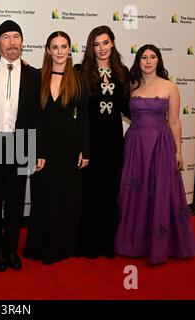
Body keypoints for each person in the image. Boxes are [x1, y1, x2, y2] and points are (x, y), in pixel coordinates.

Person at [114, 44, 195, 264]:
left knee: (160, 192)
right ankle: (135, 241)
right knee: (135, 192)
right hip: (135, 144)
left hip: (160, 145)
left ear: (159, 60)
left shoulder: (169, 87)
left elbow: (174, 121)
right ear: (139, 61)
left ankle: (160, 244)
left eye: (153, 57)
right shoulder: (132, 85)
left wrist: (179, 150)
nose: (148, 61)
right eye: (144, 57)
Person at [0, 20, 42, 272]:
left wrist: (38, 149)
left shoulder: (34, 74)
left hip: (22, 142)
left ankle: (11, 249)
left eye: (16, 36)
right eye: (6, 37)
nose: (12, 42)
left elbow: (39, 115)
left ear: (22, 42)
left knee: (15, 202)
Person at [24, 31, 89, 264]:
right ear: (48, 50)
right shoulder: (37, 78)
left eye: (64, 46)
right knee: (42, 195)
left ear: (69, 49)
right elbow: (33, 118)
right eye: (55, 47)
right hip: (43, 146)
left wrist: (85, 149)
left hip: (69, 145)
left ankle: (63, 246)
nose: (60, 51)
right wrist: (36, 150)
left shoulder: (78, 79)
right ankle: (40, 246)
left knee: (65, 196)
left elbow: (83, 118)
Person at [74, 26, 130, 259]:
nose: (102, 48)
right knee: (88, 192)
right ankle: (88, 244)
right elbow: (54, 77)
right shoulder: (80, 71)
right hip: (89, 140)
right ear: (91, 48)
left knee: (109, 192)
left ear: (113, 44)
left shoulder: (122, 72)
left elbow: (128, 107)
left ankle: (108, 243)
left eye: (105, 43)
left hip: (114, 141)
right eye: (96, 44)